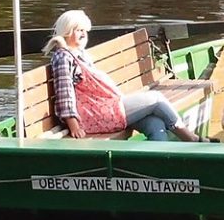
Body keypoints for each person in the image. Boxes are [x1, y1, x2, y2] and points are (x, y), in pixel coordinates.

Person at [44, 10, 207, 142]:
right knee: (156, 98)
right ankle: (190, 137)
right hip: (93, 116)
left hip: (104, 108)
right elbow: (64, 95)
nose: (83, 34)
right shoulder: (63, 58)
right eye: (78, 30)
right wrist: (74, 126)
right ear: (67, 31)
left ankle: (158, 166)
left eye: (85, 30)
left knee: (155, 124)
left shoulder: (79, 54)